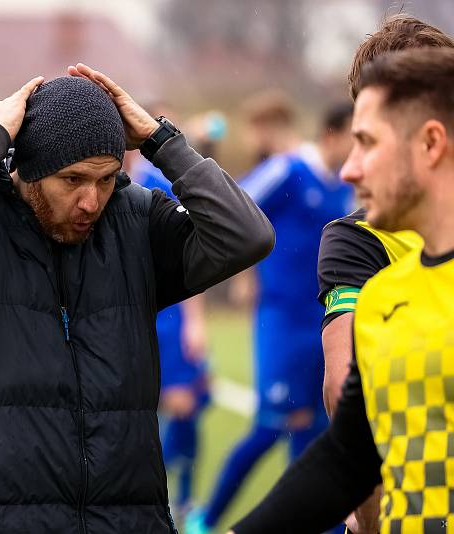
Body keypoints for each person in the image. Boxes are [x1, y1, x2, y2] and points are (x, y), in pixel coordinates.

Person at [0, 63, 273, 532]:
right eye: (72, 180)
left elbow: (246, 235)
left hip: (122, 519)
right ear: (25, 168)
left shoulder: (135, 222)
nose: (92, 200)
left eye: (106, 178)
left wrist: (160, 140)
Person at [231, 45, 454, 534]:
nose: (351, 169)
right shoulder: (390, 293)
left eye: (368, 143)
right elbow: (347, 453)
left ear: (431, 143)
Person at [188, 96, 353, 534]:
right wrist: (244, 272)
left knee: (321, 429)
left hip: (328, 323)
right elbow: (235, 206)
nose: (360, 154)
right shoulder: (290, 170)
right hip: (282, 323)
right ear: (333, 134)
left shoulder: (345, 186)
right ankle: (208, 517)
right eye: (356, 140)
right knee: (273, 426)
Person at [316, 16, 453, 532]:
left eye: (368, 141)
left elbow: (343, 385)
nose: (353, 167)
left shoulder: (356, 238)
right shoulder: (361, 240)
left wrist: (369, 518)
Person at [130, 112, 215, 518]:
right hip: (137, 315)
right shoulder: (112, 182)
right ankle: (155, 495)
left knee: (186, 407)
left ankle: (181, 497)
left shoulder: (161, 182)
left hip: (171, 315)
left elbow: (187, 254)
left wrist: (195, 320)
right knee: (143, 408)